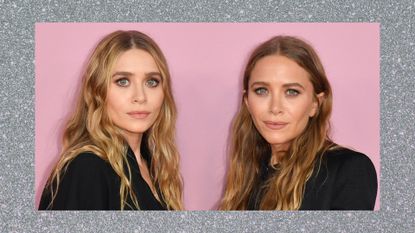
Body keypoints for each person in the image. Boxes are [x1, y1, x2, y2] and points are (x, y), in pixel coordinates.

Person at [220, 35, 377, 210]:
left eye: (292, 92)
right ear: (247, 101)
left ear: (315, 104)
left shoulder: (349, 170)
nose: (275, 108)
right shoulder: (249, 172)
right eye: (262, 90)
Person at [39, 30, 183, 210]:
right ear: (97, 90)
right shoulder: (87, 167)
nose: (140, 96)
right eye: (123, 81)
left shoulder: (154, 166)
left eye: (152, 82)